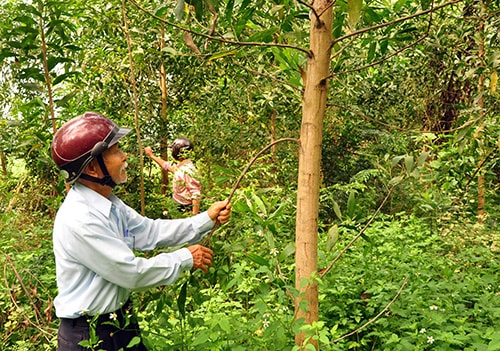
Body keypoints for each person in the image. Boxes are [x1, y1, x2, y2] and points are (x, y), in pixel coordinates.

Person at [50, 112, 231, 351]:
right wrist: (186, 257)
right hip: (90, 335)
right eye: (115, 151)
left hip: (120, 323)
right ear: (93, 168)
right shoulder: (80, 219)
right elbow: (130, 272)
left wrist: (206, 219)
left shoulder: (109, 203)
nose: (125, 157)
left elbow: (149, 231)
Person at [144, 137, 201, 214]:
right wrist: (151, 155)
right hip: (178, 205)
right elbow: (166, 165)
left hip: (185, 208)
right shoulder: (182, 165)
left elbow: (195, 194)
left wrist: (194, 217)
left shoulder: (187, 170)